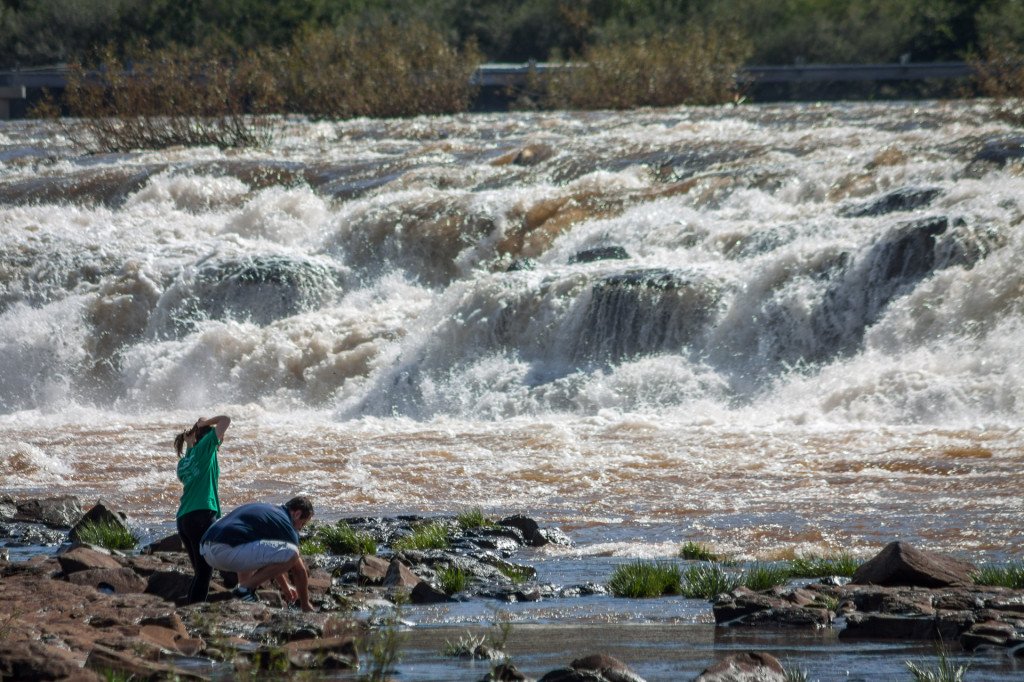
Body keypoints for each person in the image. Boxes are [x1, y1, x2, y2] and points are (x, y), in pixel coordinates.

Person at [200, 496, 315, 611]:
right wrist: (305, 604)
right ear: (297, 514)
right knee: (293, 552)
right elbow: (299, 570)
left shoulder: (269, 511)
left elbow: (270, 557)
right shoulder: (286, 525)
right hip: (225, 550)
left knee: (251, 543)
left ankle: (244, 594)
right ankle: (244, 589)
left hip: (206, 550)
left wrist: (285, 587)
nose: (300, 528)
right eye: (303, 524)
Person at [174, 414, 231, 604]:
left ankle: (191, 610)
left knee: (201, 572)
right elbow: (226, 419)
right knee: (206, 571)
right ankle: (195, 612)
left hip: (184, 520)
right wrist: (202, 424)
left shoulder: (184, 463)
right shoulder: (207, 448)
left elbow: (191, 457)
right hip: (202, 515)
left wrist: (190, 442)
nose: (221, 437)